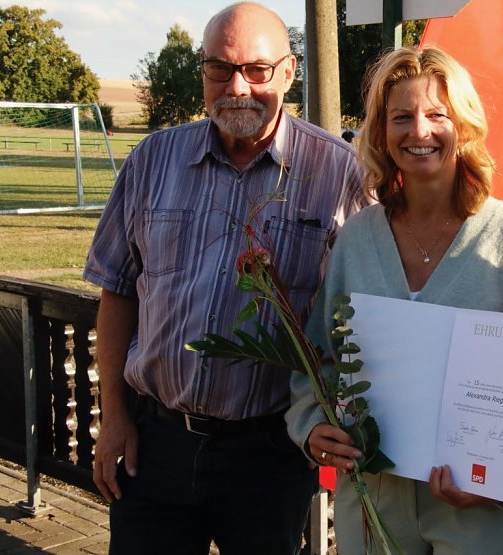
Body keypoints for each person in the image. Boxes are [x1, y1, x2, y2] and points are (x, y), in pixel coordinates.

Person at [83, 3, 367, 553]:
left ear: (288, 72)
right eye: (220, 68)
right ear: (203, 71)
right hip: (155, 443)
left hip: (271, 452)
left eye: (257, 70)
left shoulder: (338, 174)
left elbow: (363, 314)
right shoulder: (153, 161)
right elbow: (116, 290)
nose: (237, 86)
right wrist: (114, 416)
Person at [285, 46, 503, 553]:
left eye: (437, 114)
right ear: (380, 132)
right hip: (373, 502)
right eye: (401, 116)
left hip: (479, 512)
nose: (419, 131)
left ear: (463, 125)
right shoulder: (356, 240)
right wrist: (312, 427)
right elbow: (318, 361)